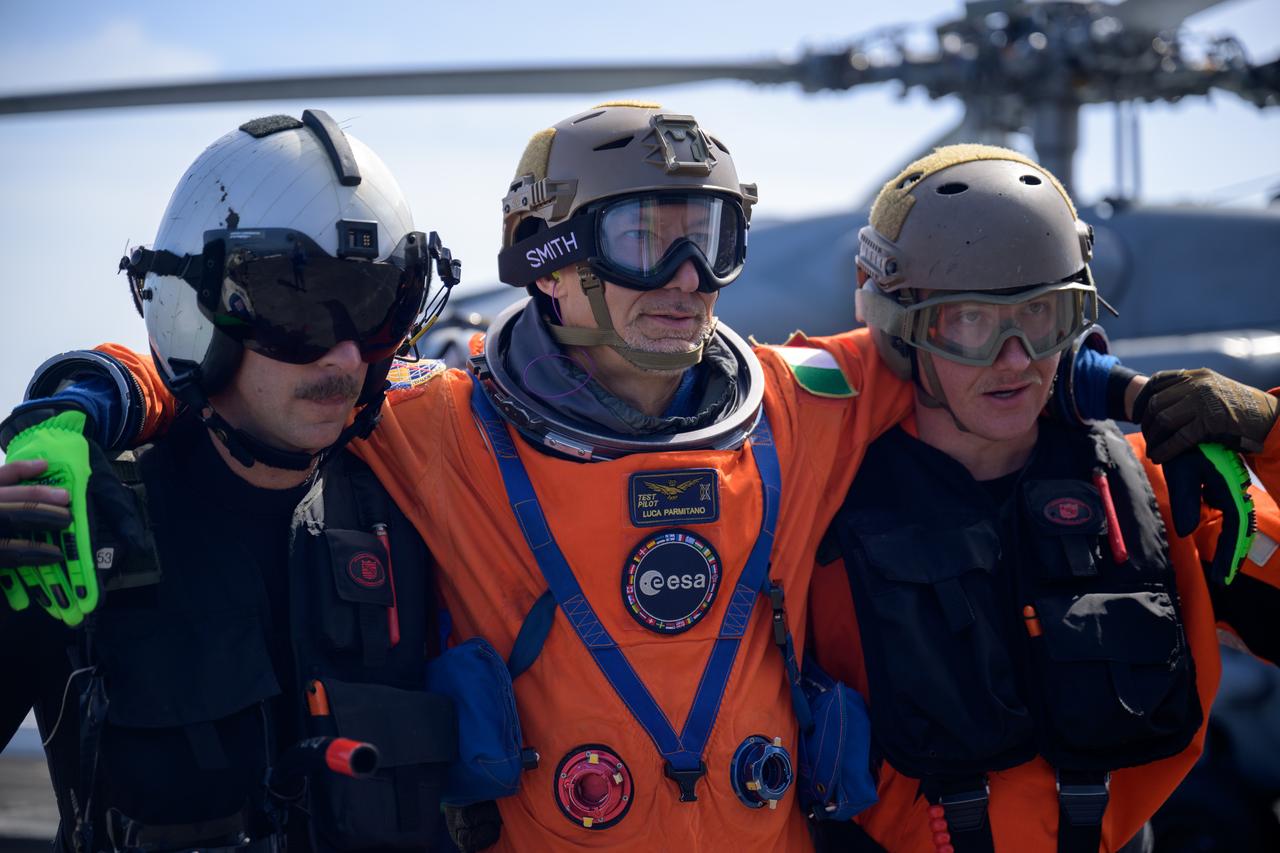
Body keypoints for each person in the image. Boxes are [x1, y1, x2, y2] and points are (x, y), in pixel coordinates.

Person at [5, 108, 1131, 852]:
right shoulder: (426, 423)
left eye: (714, 236)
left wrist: (1119, 389)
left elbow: (985, 358)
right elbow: (239, 380)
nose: (688, 278)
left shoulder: (804, 401)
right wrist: (77, 403)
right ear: (548, 260)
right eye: (648, 236)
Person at [0, 110, 463, 853]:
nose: (344, 357)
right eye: (294, 306)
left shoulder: (422, 504)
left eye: (379, 306)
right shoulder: (79, 525)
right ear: (192, 312)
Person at [808, 144, 1280, 853]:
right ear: (902, 329)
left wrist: (1272, 437)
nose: (1015, 359)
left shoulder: (1154, 492)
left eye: (1042, 315)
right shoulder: (817, 505)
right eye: (968, 319)